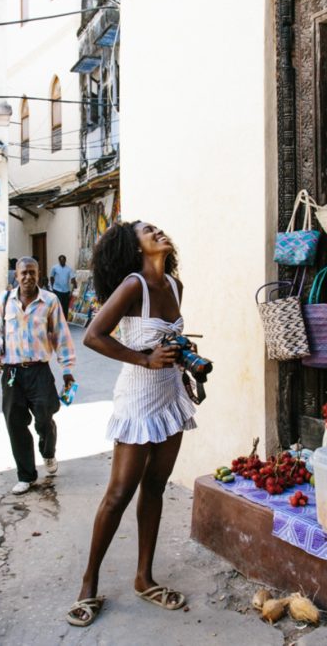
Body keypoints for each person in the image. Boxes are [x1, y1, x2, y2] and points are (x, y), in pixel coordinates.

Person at [67, 221, 196, 627]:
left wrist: (182, 353)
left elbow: (169, 339)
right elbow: (93, 336)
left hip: (171, 395)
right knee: (119, 493)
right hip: (138, 399)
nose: (157, 231)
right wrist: (144, 358)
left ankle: (144, 577)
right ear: (132, 246)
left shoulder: (174, 286)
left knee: (154, 487)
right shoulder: (133, 286)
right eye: (147, 230)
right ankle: (88, 584)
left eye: (158, 228)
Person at [0, 257, 75, 496]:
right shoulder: (3, 301)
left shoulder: (50, 301)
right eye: (23, 273)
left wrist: (67, 370)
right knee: (15, 424)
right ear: (16, 276)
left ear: (39, 274)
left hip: (39, 370)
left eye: (32, 273)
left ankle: (48, 451)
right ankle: (26, 475)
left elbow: (61, 336)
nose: (27, 277)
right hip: (12, 372)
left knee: (45, 416)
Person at [49, 254, 78, 319]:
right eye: (61, 260)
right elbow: (51, 277)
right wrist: (52, 287)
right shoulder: (55, 268)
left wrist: (75, 286)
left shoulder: (69, 269)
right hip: (57, 289)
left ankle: (65, 319)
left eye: (63, 260)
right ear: (59, 260)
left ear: (65, 260)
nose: (62, 261)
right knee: (58, 305)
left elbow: (72, 278)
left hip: (66, 290)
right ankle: (57, 319)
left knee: (65, 306)